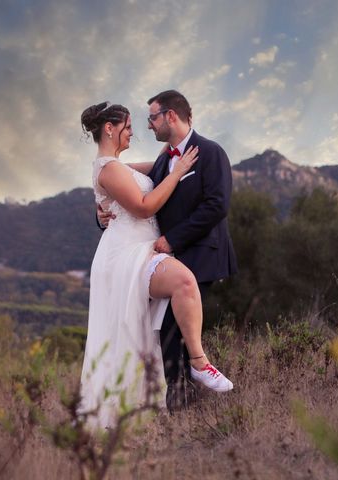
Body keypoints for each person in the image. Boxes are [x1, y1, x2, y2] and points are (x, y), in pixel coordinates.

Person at [80, 101, 232, 429]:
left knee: (154, 327)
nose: (135, 130)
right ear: (109, 128)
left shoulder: (122, 166)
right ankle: (199, 362)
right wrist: (176, 173)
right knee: (183, 283)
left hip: (143, 248)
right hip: (127, 253)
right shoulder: (108, 168)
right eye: (129, 125)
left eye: (142, 121)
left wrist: (176, 159)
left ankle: (175, 390)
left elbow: (151, 169)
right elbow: (144, 206)